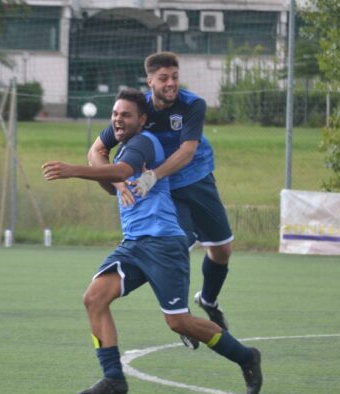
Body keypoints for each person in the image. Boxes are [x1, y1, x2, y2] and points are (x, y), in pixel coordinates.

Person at [43, 89, 262, 394]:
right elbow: (112, 174)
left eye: (126, 114)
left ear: (142, 120)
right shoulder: (125, 148)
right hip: (134, 243)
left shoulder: (144, 143)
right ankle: (113, 377)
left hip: (162, 243)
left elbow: (122, 170)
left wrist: (75, 171)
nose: (118, 119)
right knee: (94, 299)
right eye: (115, 114)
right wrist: (111, 180)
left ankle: (246, 356)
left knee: (178, 322)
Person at [89, 52, 234, 349]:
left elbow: (187, 151)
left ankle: (208, 299)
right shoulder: (136, 109)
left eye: (175, 77)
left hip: (197, 179)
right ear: (150, 81)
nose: (171, 84)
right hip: (169, 190)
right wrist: (117, 182)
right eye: (164, 78)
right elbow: (96, 151)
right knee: (175, 243)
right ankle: (182, 316)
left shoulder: (192, 104)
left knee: (221, 250)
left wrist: (152, 175)